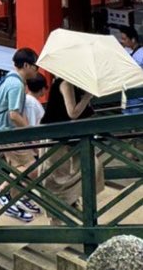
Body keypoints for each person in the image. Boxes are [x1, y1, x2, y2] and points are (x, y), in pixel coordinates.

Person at [40, 75, 102, 224]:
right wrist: (88, 96)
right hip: (55, 136)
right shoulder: (66, 83)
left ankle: (71, 201)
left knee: (93, 167)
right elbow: (72, 113)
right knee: (56, 179)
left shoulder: (76, 84)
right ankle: (56, 218)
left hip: (71, 137)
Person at [0, 47, 40, 222]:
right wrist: (31, 134)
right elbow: (14, 115)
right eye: (35, 66)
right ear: (26, 65)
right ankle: (3, 193)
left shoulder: (12, 79)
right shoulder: (16, 84)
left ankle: (17, 198)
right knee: (32, 167)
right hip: (6, 133)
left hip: (4, 132)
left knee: (21, 168)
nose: (37, 70)